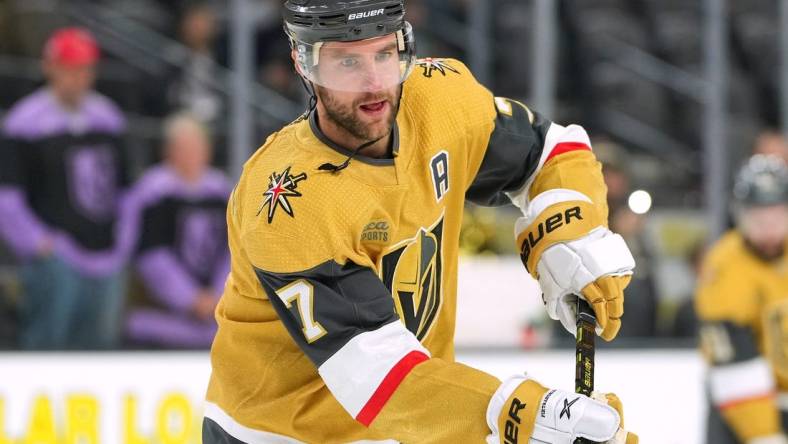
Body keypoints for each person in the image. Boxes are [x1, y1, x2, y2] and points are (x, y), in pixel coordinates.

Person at [203, 1, 637, 443]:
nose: (374, 83)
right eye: (348, 62)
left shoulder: (440, 98)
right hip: (278, 432)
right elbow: (378, 377)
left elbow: (551, 151)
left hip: (410, 423)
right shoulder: (286, 202)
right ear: (303, 62)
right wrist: (520, 415)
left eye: (385, 54)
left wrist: (568, 229)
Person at [0, 27, 129, 350]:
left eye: (85, 69)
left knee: (101, 350)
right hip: (57, 254)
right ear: (50, 68)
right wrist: (37, 243)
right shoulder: (23, 123)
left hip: (106, 253)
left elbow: (126, 188)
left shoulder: (108, 117)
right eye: (70, 69)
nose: (78, 78)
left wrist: (123, 240)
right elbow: (8, 196)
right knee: (47, 345)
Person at [696, 154, 788, 444]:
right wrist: (764, 436)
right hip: (738, 406)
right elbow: (733, 360)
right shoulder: (724, 265)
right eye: (759, 218)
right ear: (741, 216)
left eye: (777, 215)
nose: (769, 229)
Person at [123, 113, 230, 348]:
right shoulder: (153, 193)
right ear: (169, 151)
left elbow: (233, 252)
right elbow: (150, 254)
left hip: (215, 314)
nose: (192, 154)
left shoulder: (221, 192)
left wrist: (219, 295)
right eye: (184, 148)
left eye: (197, 146)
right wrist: (189, 298)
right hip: (160, 318)